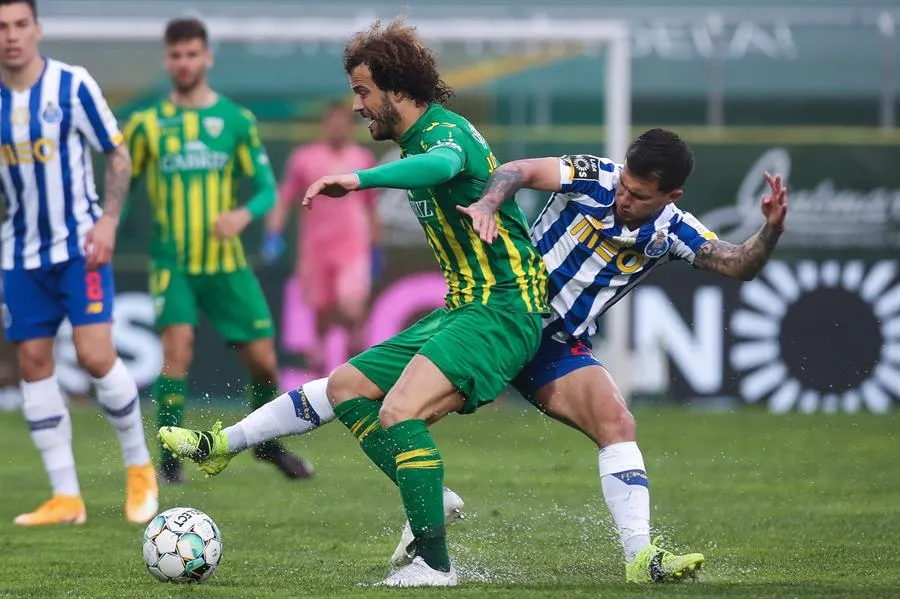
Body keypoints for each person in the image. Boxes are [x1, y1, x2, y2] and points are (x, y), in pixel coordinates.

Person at [160, 127, 788, 584]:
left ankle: (640, 556)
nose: (624, 198)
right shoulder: (594, 176)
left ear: (669, 193)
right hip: (498, 316)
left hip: (554, 346)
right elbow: (517, 168)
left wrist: (770, 232)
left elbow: (737, 263)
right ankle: (237, 448)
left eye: (640, 195)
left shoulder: (674, 228)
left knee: (616, 423)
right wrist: (490, 199)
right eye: (624, 184)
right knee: (363, 397)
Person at [160, 18, 548, 587]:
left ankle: (435, 569)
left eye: (364, 90)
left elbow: (444, 166)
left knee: (399, 412)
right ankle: (230, 445)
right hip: (466, 307)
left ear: (396, 88)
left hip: (504, 309)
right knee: (345, 387)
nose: (359, 104)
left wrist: (360, 179)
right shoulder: (417, 139)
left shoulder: (445, 134)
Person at [123, 17, 312, 484]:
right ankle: (169, 457)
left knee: (265, 362)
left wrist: (243, 216)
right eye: (176, 55)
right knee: (177, 352)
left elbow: (268, 191)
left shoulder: (235, 120)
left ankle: (265, 441)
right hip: (173, 264)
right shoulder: (146, 125)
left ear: (206, 58)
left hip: (227, 265)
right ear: (167, 60)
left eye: (192, 54)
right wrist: (105, 227)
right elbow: (121, 187)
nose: (184, 63)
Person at [0, 0, 158, 525]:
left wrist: (109, 220)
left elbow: (117, 153)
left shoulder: (72, 85)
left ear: (37, 29)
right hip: (20, 253)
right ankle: (65, 497)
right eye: (1, 27)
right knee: (33, 364)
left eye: (20, 24)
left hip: (79, 247)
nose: (11, 36)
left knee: (94, 354)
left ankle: (140, 469)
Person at [262, 104, 381, 374]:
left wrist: (376, 246)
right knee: (322, 314)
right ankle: (319, 375)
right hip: (316, 250)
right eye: (332, 122)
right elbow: (284, 199)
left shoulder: (361, 158)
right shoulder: (304, 158)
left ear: (349, 127)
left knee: (351, 305)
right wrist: (273, 233)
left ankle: (358, 362)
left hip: (352, 248)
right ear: (325, 125)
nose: (337, 128)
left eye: (343, 123)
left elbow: (370, 207)